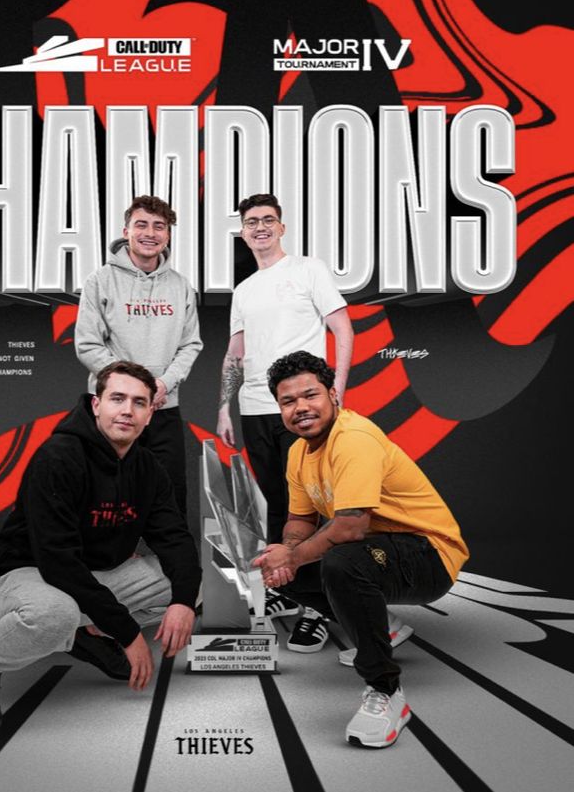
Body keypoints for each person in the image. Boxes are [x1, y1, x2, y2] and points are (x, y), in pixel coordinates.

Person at [0, 361, 201, 739]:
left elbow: (175, 538)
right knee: (55, 612)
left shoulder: (149, 468)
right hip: (27, 572)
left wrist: (184, 602)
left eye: (139, 402)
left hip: (94, 575)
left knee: (186, 585)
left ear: (150, 414)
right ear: (95, 405)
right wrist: (127, 633)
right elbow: (57, 561)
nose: (127, 410)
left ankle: (85, 631)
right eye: (117, 398)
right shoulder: (59, 457)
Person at [253, 351, 468, 748]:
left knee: (340, 561)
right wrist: (285, 556)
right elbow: (300, 522)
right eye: (288, 401)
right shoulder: (299, 452)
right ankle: (381, 626)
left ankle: (386, 692)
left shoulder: (353, 438)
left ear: (333, 395)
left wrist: (294, 556)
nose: (300, 408)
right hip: (381, 551)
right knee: (278, 569)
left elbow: (351, 527)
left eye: (310, 395)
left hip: (429, 554)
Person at [216, 193, 354, 619]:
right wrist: (224, 406)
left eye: (268, 220)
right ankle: (296, 594)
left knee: (315, 505)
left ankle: (325, 603)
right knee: (277, 504)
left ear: (282, 227)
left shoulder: (307, 269)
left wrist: (337, 390)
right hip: (255, 407)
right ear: (242, 232)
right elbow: (235, 353)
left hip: (300, 409)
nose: (260, 227)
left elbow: (343, 330)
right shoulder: (243, 290)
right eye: (252, 222)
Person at [75, 196, 202, 516]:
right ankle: (107, 562)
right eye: (141, 224)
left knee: (170, 496)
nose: (150, 233)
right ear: (126, 231)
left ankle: (170, 565)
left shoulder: (181, 286)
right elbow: (88, 345)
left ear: (168, 235)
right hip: (113, 410)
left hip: (164, 406)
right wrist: (134, 390)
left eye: (159, 226)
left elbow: (191, 344)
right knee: (106, 497)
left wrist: (163, 384)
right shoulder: (100, 281)